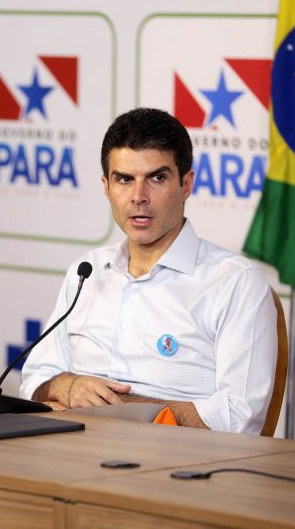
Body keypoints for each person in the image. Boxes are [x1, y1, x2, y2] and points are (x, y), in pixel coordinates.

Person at [20, 107, 277, 434]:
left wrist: (119, 410)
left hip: (176, 467)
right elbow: (35, 379)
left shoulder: (235, 282)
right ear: (106, 187)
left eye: (157, 178)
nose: (138, 197)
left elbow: (240, 416)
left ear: (186, 184)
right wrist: (66, 387)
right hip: (71, 454)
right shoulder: (88, 272)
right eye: (124, 180)